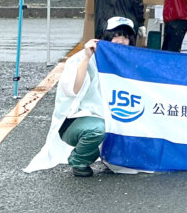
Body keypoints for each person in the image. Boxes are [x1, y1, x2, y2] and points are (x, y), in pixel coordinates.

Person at [25, 17, 137, 177]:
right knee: (100, 130)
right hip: (75, 121)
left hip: (110, 119)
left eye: (125, 37)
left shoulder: (128, 63)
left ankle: (103, 155)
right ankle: (79, 160)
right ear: (105, 37)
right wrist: (86, 58)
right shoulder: (81, 58)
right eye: (116, 35)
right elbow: (74, 89)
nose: (120, 41)